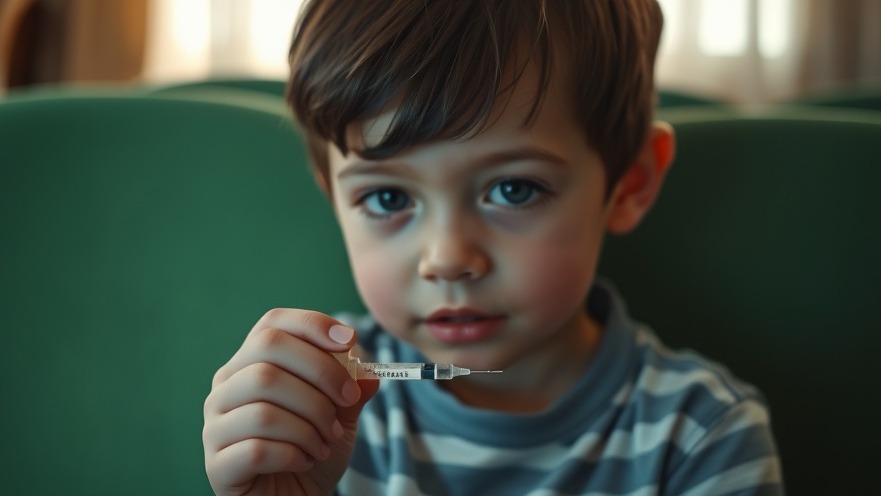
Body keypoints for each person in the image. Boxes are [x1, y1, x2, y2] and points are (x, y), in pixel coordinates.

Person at [202, 1, 784, 494]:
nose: (447, 259)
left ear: (630, 184)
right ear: (334, 198)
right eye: (386, 198)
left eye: (514, 189)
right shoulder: (314, 408)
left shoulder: (704, 438)